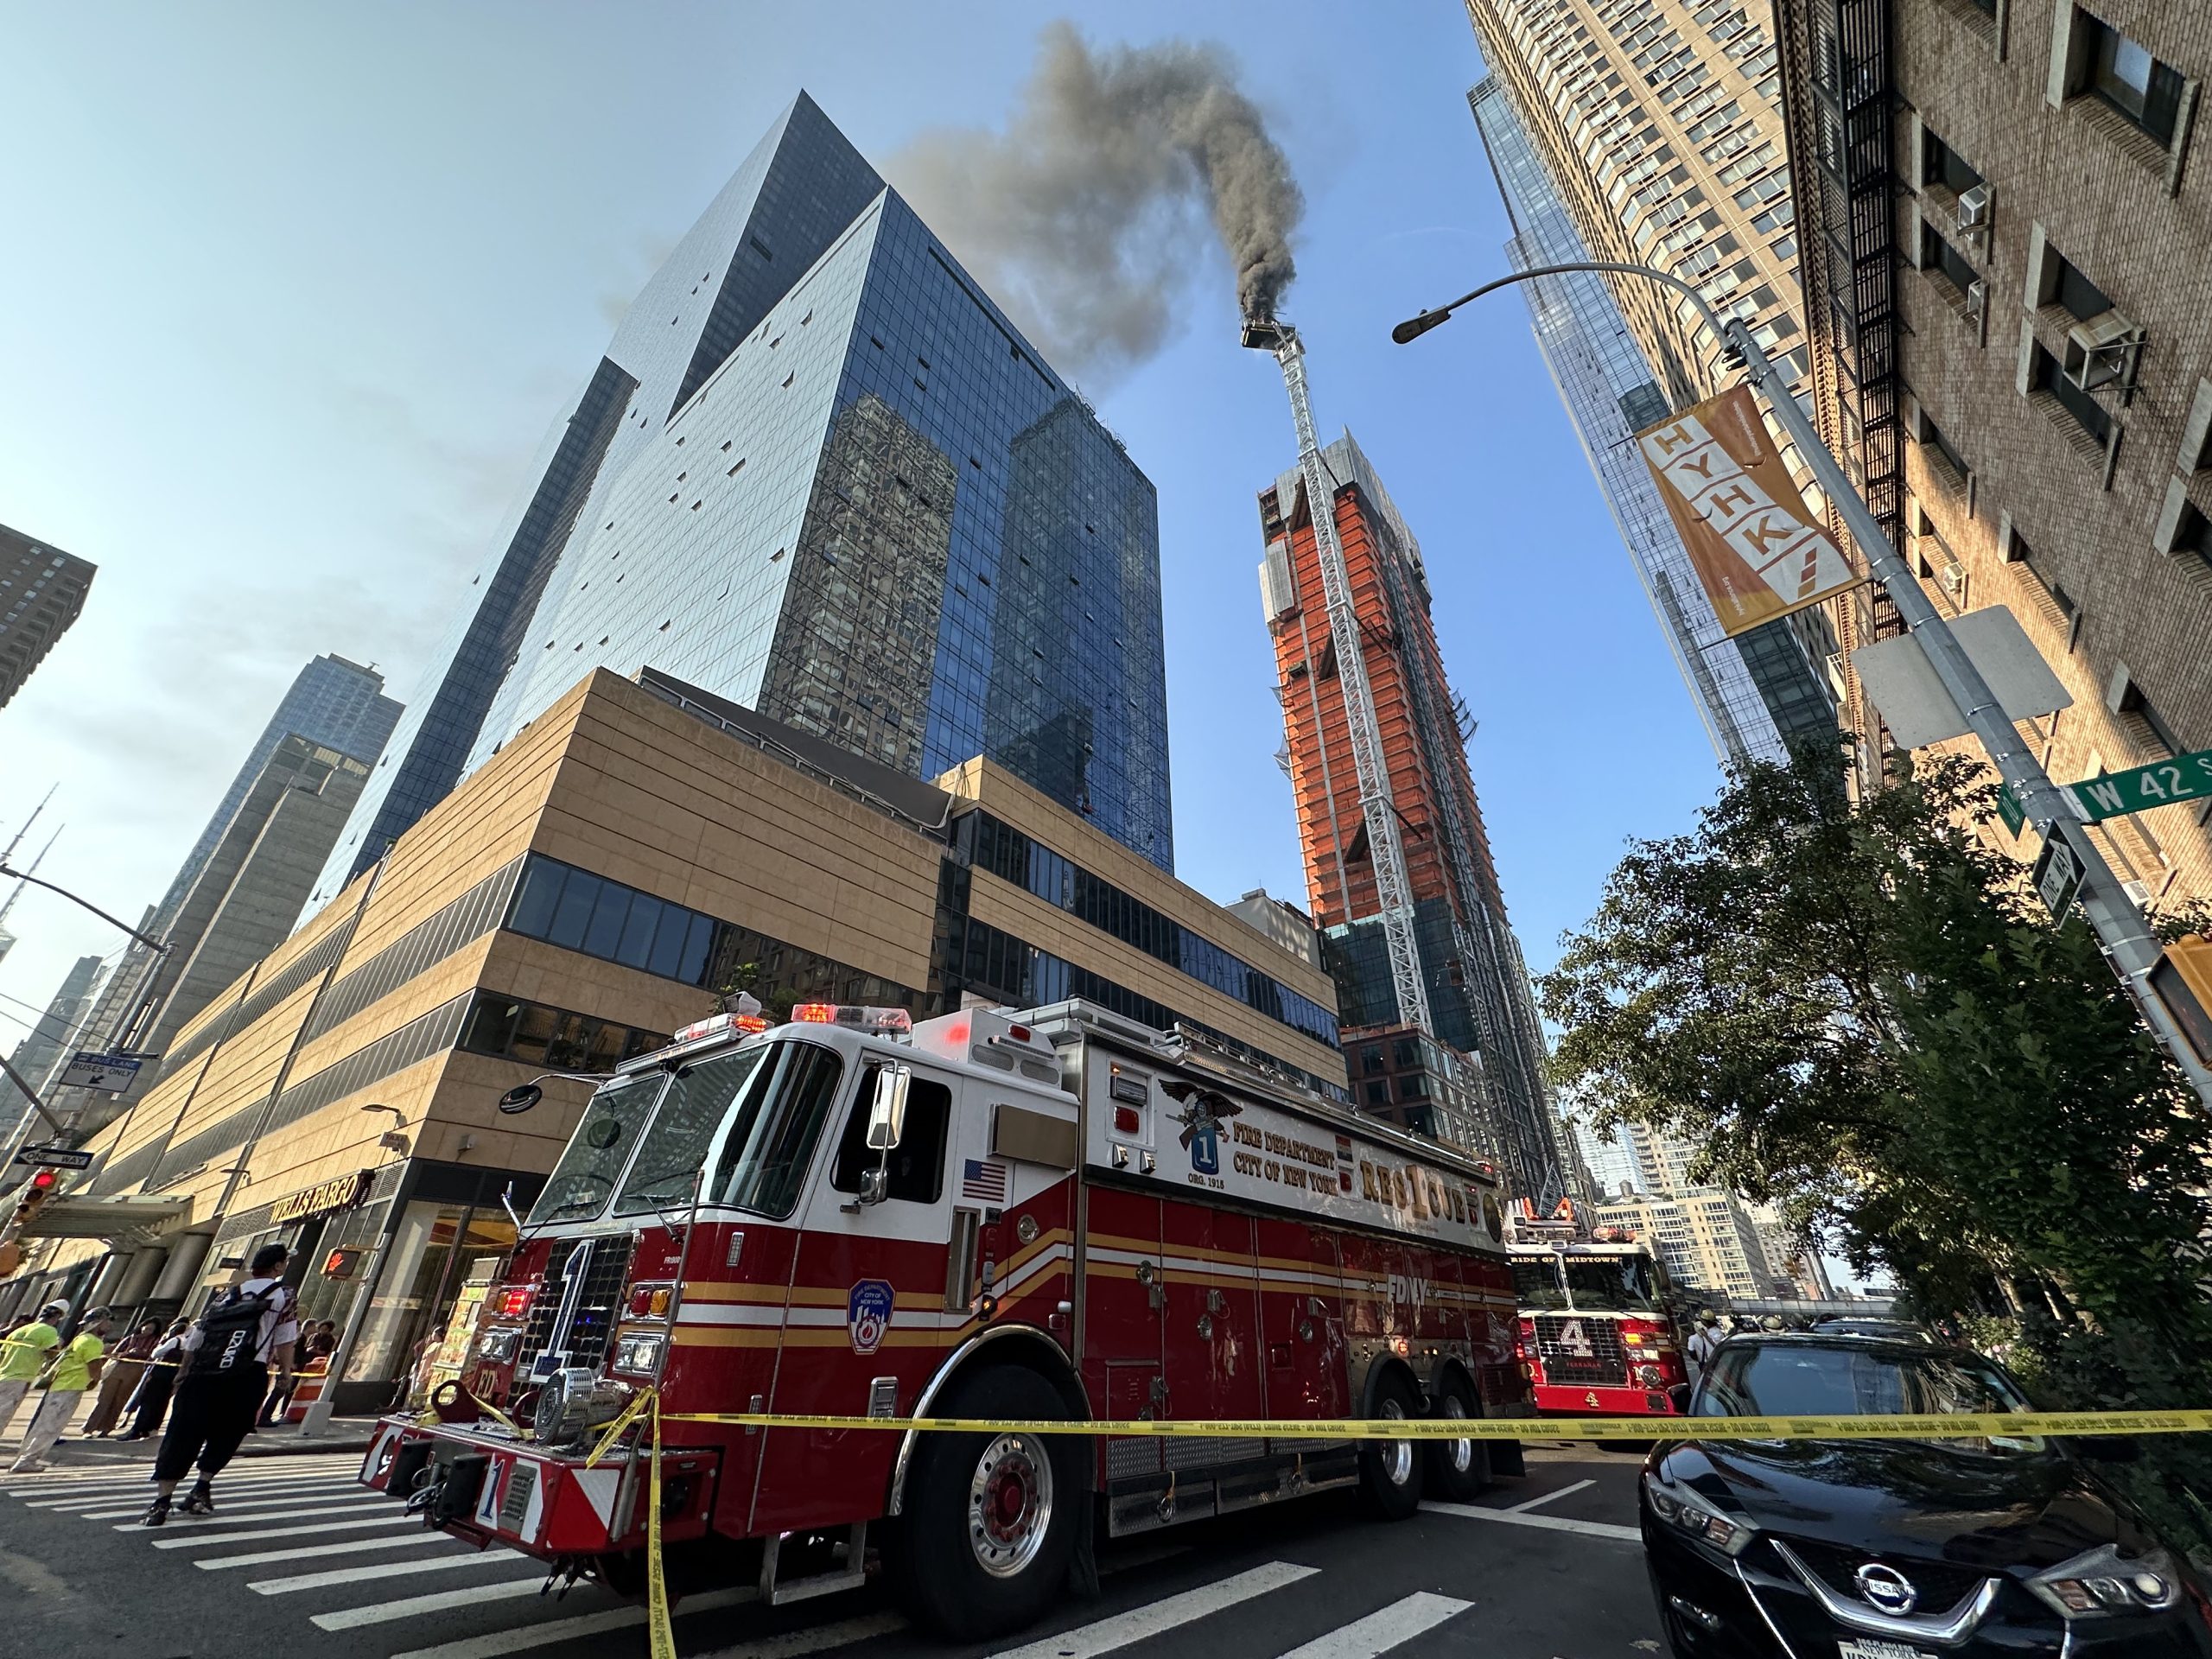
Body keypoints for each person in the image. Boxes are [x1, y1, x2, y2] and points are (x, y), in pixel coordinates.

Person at [142, 1245, 298, 1526]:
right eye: (284, 1263)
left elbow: (198, 1334)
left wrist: (185, 1370)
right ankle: (202, 1484)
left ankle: (161, 1501)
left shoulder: (228, 1294)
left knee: (182, 1432)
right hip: (247, 1373)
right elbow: (285, 1337)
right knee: (229, 1432)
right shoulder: (283, 1295)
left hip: (203, 1373)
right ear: (278, 1267)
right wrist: (285, 1372)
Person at [10, 1306, 113, 1471]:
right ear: (98, 1323)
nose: (109, 1326)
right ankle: (27, 1460)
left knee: (43, 1424)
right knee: (51, 1426)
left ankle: (23, 1458)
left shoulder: (81, 1338)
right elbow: (94, 1366)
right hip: (69, 1388)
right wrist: (96, 1380)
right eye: (107, 1321)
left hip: (61, 1386)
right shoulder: (93, 1342)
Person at [0, 1301, 68, 1445]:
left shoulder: (20, 1330)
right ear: (57, 1316)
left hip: (3, 1375)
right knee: (2, 1416)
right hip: (19, 1379)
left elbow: (3, 1354)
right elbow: (51, 1354)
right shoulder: (49, 1331)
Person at [84, 1317, 162, 1437]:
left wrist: (141, 1354)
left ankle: (107, 1428)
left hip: (136, 1370)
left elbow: (153, 1357)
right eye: (146, 1328)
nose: (147, 1331)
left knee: (120, 1400)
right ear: (141, 1326)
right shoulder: (130, 1339)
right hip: (119, 1367)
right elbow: (115, 1353)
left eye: (151, 1330)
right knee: (104, 1399)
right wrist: (128, 1353)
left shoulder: (155, 1341)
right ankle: (89, 1428)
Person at [118, 1319, 192, 1441]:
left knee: (148, 1401)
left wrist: (161, 1344)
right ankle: (151, 1428)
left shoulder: (174, 1340)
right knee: (161, 1403)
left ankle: (137, 1429)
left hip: (160, 1374)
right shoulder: (187, 1343)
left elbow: (155, 1354)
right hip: (173, 1375)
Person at [1685, 1311, 1723, 1379]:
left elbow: (1717, 1346)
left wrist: (1705, 1335)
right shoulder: (1707, 1331)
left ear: (1705, 1322)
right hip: (1709, 1362)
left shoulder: (1716, 1332)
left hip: (1715, 1362)